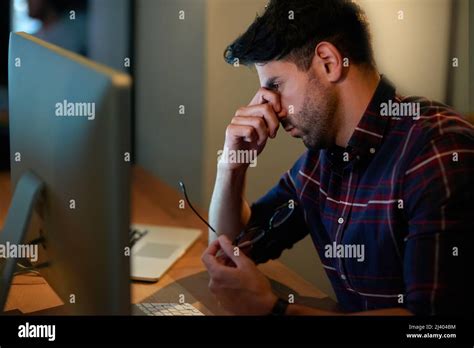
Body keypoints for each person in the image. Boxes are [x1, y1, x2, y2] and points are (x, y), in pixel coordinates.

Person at [202, 0, 473, 316]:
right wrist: (232, 164)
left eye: (275, 86)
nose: (268, 107)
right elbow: (233, 248)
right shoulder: (323, 158)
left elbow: (432, 329)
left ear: (328, 62)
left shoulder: (438, 151)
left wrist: (274, 311)